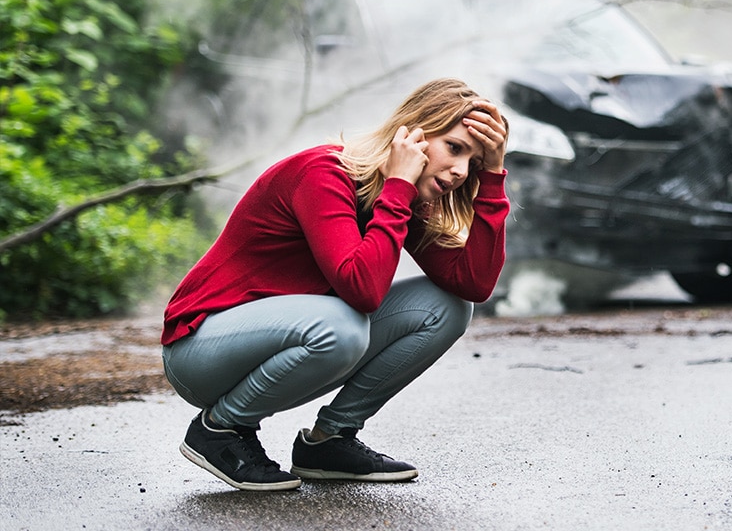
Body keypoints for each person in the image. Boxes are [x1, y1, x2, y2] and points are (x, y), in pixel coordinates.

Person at [159, 78, 510, 491]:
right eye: (454, 148)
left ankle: (329, 441)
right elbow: (361, 290)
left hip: (283, 344)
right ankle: (219, 429)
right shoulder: (324, 172)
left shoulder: (404, 199)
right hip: (200, 349)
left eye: (474, 161)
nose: (460, 171)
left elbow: (473, 283)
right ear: (413, 134)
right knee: (343, 324)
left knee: (447, 307)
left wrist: (493, 177)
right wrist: (397, 188)